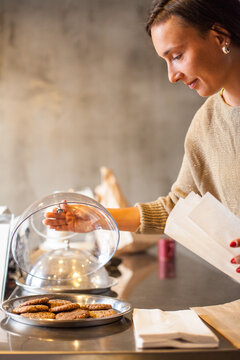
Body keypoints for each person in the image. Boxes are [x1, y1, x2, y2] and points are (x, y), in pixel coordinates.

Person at [44, 0, 240, 273]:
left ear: (220, 36)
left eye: (177, 56)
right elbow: (177, 207)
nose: (172, 76)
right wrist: (99, 218)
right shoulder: (206, 124)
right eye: (166, 61)